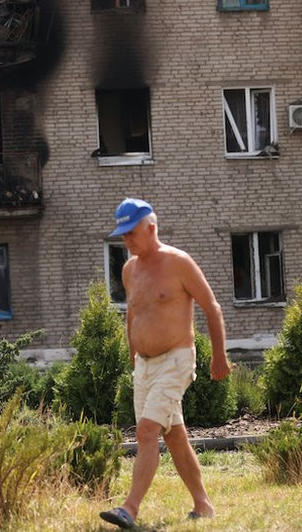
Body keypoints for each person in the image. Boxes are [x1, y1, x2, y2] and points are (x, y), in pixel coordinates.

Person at [100, 198, 231, 530]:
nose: (127, 240)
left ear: (151, 228)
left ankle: (130, 508)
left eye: (132, 233)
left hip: (177, 359)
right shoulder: (129, 269)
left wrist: (219, 356)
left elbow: (211, 307)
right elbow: (132, 315)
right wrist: (133, 358)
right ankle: (203, 505)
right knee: (173, 436)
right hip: (145, 366)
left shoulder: (178, 263)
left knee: (146, 431)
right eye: (123, 235)